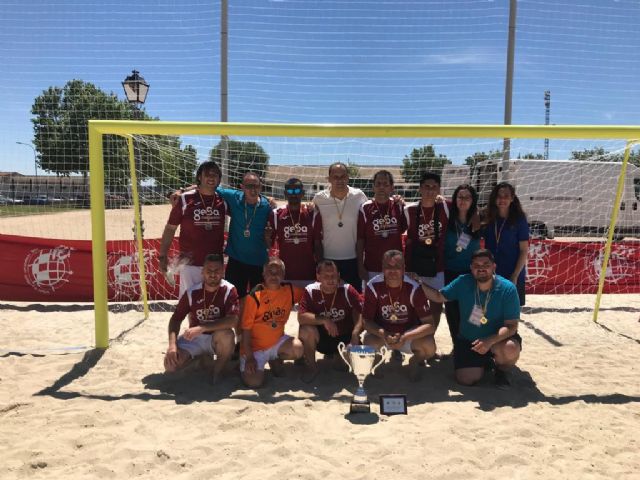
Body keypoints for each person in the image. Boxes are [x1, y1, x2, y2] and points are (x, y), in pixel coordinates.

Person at [420, 249, 522, 387]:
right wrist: (418, 283)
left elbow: (511, 326)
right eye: (477, 265)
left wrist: (489, 341)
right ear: (471, 268)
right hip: (469, 341)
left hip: (496, 340)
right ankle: (485, 363)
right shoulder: (463, 281)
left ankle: (502, 371)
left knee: (510, 348)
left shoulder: (507, 289)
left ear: (494, 267)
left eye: (486, 264)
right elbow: (438, 297)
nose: (481, 268)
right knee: (465, 380)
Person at [362, 250, 436, 381]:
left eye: (397, 267)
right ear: (382, 268)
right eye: (388, 267)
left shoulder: (414, 287)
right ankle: (378, 359)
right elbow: (366, 321)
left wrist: (405, 336)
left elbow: (430, 325)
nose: (392, 271)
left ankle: (414, 361)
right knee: (368, 342)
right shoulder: (373, 286)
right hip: (384, 334)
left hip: (408, 334)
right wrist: (384, 334)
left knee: (430, 346)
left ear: (403, 269)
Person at [164, 254, 239, 384]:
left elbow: (233, 320)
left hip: (215, 337)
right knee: (170, 366)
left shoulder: (229, 290)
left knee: (228, 335)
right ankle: (202, 361)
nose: (213, 274)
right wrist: (172, 345)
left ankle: (218, 371)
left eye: (217, 271)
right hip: (195, 338)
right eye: (209, 271)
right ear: (202, 272)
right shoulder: (192, 292)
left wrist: (202, 327)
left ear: (223, 271)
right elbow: (175, 319)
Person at [158, 161, 228, 297]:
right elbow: (170, 229)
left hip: (215, 266)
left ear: (219, 179)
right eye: (207, 174)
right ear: (199, 178)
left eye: (215, 175)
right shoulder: (184, 200)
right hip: (190, 265)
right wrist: (162, 256)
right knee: (191, 307)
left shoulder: (223, 201)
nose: (211, 177)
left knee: (214, 308)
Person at [240, 257, 304, 388]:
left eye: (278, 272)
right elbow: (245, 330)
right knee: (254, 382)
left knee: (298, 349)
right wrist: (250, 357)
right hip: (254, 348)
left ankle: (274, 358)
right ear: (263, 274)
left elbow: (310, 296)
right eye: (270, 271)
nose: (274, 275)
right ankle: (244, 363)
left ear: (283, 275)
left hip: (276, 342)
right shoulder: (255, 295)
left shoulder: (290, 291)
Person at [297, 260, 363, 383]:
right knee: (306, 329)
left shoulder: (347, 289)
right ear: (318, 277)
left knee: (342, 367)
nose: (331, 279)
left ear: (338, 275)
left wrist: (355, 334)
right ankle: (312, 368)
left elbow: (360, 314)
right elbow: (301, 317)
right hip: (321, 338)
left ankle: (339, 357)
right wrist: (325, 320)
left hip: (344, 337)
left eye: (333, 275)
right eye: (326, 276)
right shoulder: (311, 290)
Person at [313, 162, 368, 292]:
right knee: (331, 300)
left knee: (354, 301)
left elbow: (371, 210)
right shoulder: (319, 199)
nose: (339, 180)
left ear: (348, 178)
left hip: (353, 259)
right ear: (329, 179)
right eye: (335, 177)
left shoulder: (359, 196)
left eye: (343, 176)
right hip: (328, 260)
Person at [404, 171, 449, 329]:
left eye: (434, 187)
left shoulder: (445, 206)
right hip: (416, 265)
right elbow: (407, 240)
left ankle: (430, 337)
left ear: (439, 189)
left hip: (438, 265)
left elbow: (469, 208)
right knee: (413, 304)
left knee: (436, 305)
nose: (430, 190)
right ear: (420, 189)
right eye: (426, 186)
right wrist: (407, 268)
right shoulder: (409, 210)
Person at [217, 172, 273, 298]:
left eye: (256, 186)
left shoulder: (267, 206)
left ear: (261, 187)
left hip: (258, 262)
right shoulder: (233, 197)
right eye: (248, 186)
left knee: (258, 301)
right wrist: (182, 190)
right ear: (242, 187)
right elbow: (210, 186)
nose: (253, 189)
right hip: (236, 261)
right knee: (234, 300)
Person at [265, 178, 323, 288]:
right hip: (285, 276)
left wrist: (320, 272)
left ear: (302, 193)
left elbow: (318, 245)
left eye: (296, 191)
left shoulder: (312, 214)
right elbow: (269, 245)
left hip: (309, 275)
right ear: (285, 194)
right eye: (290, 192)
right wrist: (267, 237)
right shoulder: (276, 214)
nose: (293, 195)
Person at [443, 184, 482, 343]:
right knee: (452, 312)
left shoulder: (480, 218)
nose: (463, 200)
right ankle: (457, 346)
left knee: (476, 312)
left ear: (473, 201)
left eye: (467, 197)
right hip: (451, 272)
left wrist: (477, 212)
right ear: (455, 199)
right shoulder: (446, 217)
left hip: (473, 273)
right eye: (460, 197)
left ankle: (476, 343)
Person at [483, 182, 529, 306]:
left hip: (512, 273)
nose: (502, 199)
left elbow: (524, 250)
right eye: (499, 195)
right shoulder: (488, 217)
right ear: (494, 198)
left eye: (506, 196)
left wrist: (515, 275)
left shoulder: (520, 219)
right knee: (489, 310)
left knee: (510, 315)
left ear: (512, 198)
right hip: (491, 272)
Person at [356, 170, 407, 283]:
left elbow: (405, 231)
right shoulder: (364, 208)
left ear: (392, 187)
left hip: (395, 267)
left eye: (385, 184)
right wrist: (360, 266)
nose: (381, 187)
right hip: (372, 267)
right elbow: (360, 239)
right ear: (373, 187)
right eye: (378, 184)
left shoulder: (399, 206)